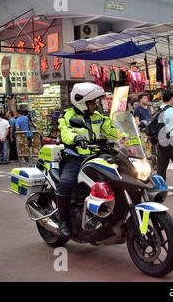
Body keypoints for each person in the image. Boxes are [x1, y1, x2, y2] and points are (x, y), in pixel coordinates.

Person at [57, 82, 118, 238]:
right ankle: (62, 220)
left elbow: (113, 132)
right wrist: (75, 137)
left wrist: (128, 135)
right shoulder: (68, 116)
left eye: (95, 102)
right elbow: (65, 132)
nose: (95, 105)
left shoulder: (99, 117)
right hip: (75, 157)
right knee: (66, 183)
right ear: (82, 102)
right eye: (92, 102)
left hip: (97, 156)